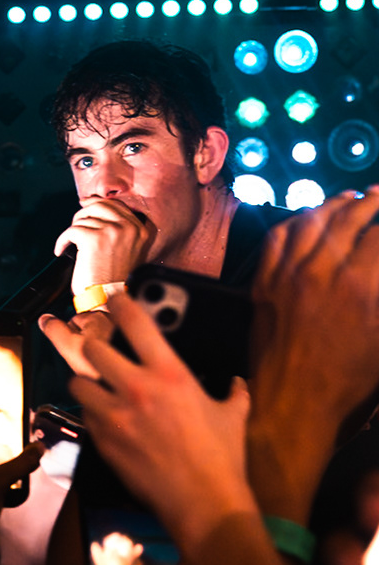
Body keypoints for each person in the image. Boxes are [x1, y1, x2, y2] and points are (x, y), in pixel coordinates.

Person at [36, 40, 283, 376]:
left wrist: (107, 303)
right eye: (86, 160)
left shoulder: (306, 261)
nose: (105, 185)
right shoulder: (98, 280)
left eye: (133, 147)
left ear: (205, 154)